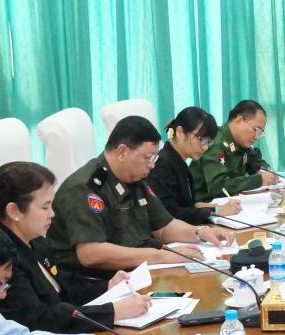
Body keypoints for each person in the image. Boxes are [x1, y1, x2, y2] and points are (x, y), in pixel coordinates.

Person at [49, 116, 228, 306]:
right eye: (147, 157)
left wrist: (200, 232)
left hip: (135, 275)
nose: (152, 165)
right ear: (122, 152)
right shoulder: (85, 188)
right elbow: (91, 254)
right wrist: (159, 256)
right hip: (95, 288)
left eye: (154, 158)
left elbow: (164, 227)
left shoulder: (133, 179)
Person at [0, 162, 153, 332]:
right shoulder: (1, 259)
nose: (52, 214)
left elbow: (64, 292)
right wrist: (112, 312)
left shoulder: (37, 242)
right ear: (14, 211)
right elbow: (39, 318)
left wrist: (108, 286)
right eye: (45, 207)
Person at [146, 107, 242, 225]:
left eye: (208, 142)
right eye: (202, 140)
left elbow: (187, 205)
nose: (205, 147)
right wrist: (216, 211)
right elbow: (170, 214)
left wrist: (215, 206)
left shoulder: (179, 162)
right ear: (180, 132)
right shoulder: (162, 165)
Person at [189, 100, 279, 200]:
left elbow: (256, 162)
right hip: (206, 205)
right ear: (239, 120)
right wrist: (259, 180)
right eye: (256, 130)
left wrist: (266, 171)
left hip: (231, 203)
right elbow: (218, 186)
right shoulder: (216, 143)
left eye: (260, 133)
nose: (257, 137)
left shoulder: (242, 142)